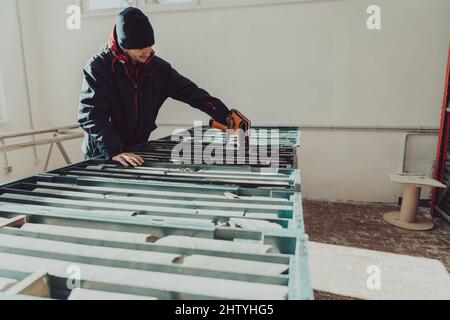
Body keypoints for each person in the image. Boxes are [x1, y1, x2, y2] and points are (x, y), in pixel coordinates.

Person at [78, 7, 248, 167]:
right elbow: (91, 114)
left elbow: (192, 93)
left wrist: (226, 116)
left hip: (137, 149)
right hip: (103, 153)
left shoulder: (157, 69)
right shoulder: (98, 68)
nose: (147, 51)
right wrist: (114, 150)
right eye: (140, 47)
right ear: (124, 46)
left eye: (149, 45)